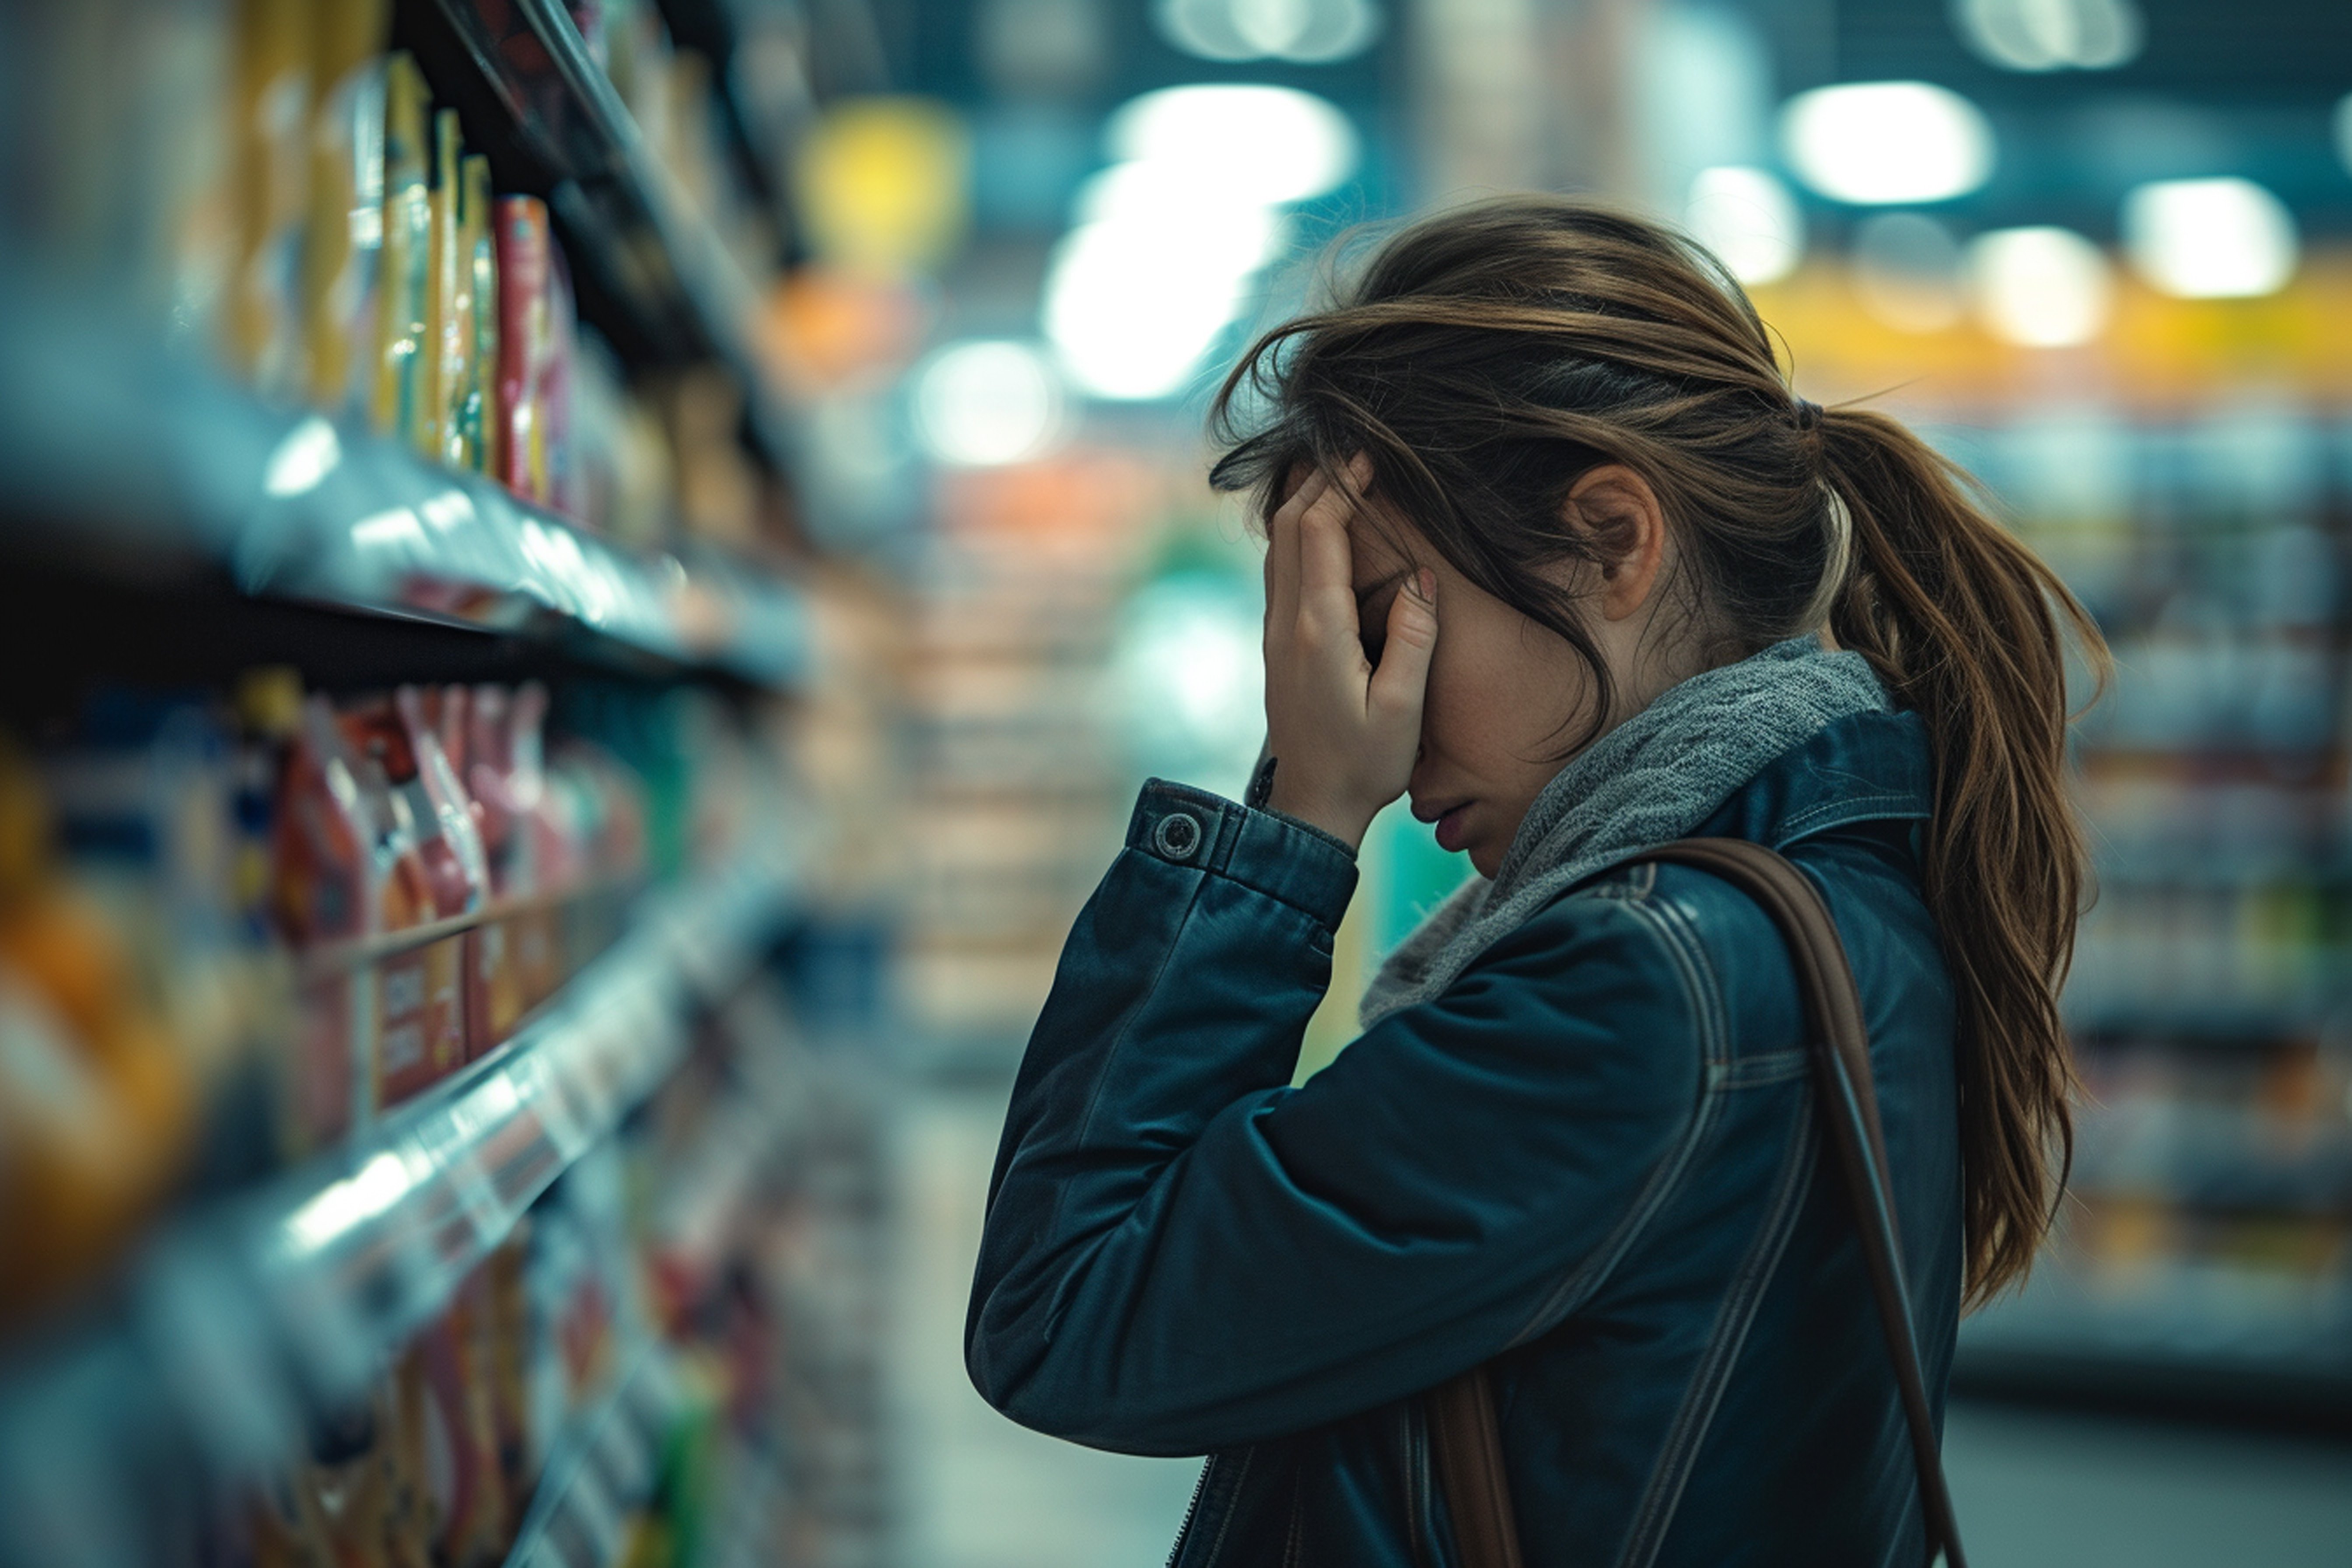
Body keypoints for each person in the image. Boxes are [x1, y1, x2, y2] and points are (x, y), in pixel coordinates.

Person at [965, 196, 2104, 1567]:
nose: (1361, 708)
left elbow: (1066, 1309)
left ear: (1615, 541)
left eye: (1378, 620)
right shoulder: (1831, 891)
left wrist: (1301, 812)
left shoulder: (1644, 989)